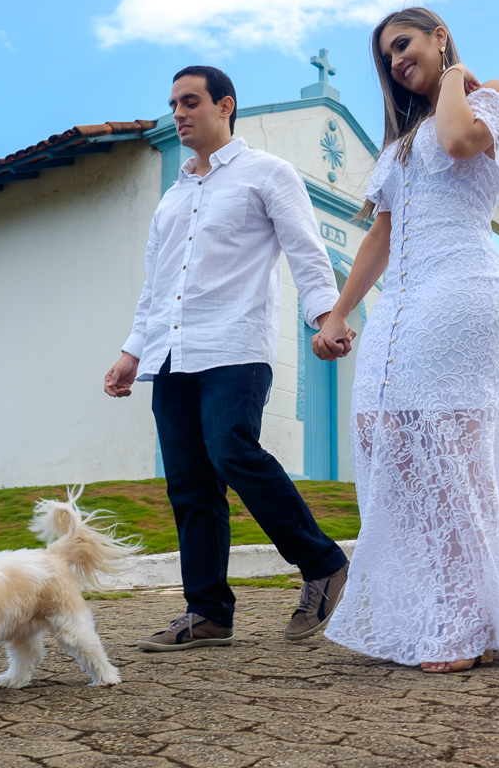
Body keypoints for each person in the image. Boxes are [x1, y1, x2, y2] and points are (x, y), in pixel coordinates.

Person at [312, 9, 499, 673]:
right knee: (391, 439)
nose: (394, 63)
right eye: (386, 57)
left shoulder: (487, 95)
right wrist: (336, 314)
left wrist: (457, 74)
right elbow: (380, 237)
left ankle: (468, 624)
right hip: (402, 306)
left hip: (463, 292)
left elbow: (463, 140)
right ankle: (429, 606)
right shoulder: (400, 147)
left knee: (456, 454)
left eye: (404, 45)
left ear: (439, 35)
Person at [105, 65, 352, 652]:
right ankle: (208, 613)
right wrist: (132, 352)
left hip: (235, 346)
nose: (179, 113)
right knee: (189, 484)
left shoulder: (267, 173)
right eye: (173, 104)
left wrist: (328, 316)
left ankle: (322, 563)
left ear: (226, 106)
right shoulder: (172, 198)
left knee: (231, 449)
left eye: (191, 102)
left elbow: (306, 251)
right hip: (170, 354)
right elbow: (156, 285)